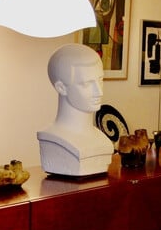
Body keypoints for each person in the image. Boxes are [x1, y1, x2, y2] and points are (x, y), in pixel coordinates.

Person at [37, 44, 113, 176]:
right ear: (61, 88)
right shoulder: (53, 139)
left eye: (100, 80)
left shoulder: (102, 140)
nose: (99, 92)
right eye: (87, 84)